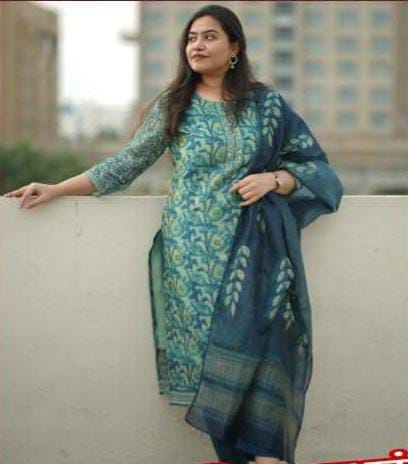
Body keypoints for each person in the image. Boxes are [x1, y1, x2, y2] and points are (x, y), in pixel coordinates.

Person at [4, 5, 343, 464]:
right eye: (191, 38)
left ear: (235, 47)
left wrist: (275, 179)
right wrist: (58, 189)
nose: (197, 45)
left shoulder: (266, 106)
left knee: (263, 358)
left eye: (209, 36)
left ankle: (266, 455)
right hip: (191, 261)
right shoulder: (175, 104)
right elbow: (126, 164)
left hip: (256, 255)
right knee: (214, 371)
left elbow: (316, 168)